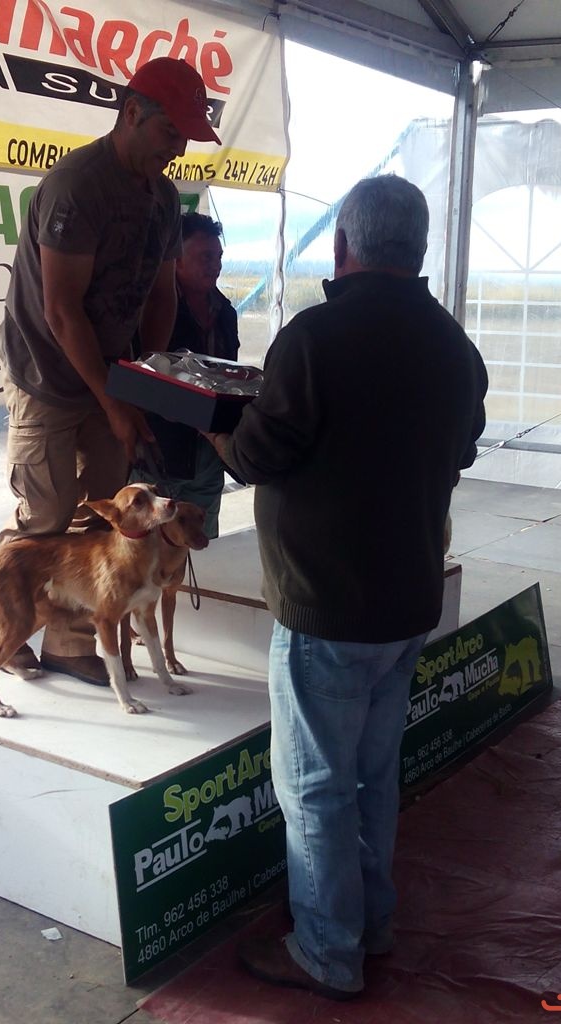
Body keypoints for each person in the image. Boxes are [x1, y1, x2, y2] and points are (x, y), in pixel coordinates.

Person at [203, 175, 488, 999]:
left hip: (327, 605)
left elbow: (258, 455)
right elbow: (461, 449)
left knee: (315, 787)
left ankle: (328, 951)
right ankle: (371, 922)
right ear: (420, 248)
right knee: (371, 777)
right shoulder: (454, 346)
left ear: (342, 246)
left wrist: (214, 420)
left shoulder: (313, 338)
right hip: (406, 603)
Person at [0, 58, 221, 687]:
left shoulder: (164, 199)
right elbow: (62, 312)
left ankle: (71, 644)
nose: (177, 150)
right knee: (46, 513)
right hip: (47, 375)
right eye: (170, 133)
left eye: (185, 138)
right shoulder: (77, 187)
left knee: (108, 518)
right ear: (132, 114)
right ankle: (1, 624)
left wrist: (142, 384)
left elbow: (161, 296)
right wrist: (115, 401)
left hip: (111, 376)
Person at [132, 212, 239, 538]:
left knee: (202, 545)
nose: (215, 266)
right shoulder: (151, 310)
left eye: (218, 257)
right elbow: (136, 380)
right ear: (175, 260)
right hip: (159, 452)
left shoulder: (226, 313)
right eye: (205, 257)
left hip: (208, 455)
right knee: (147, 554)